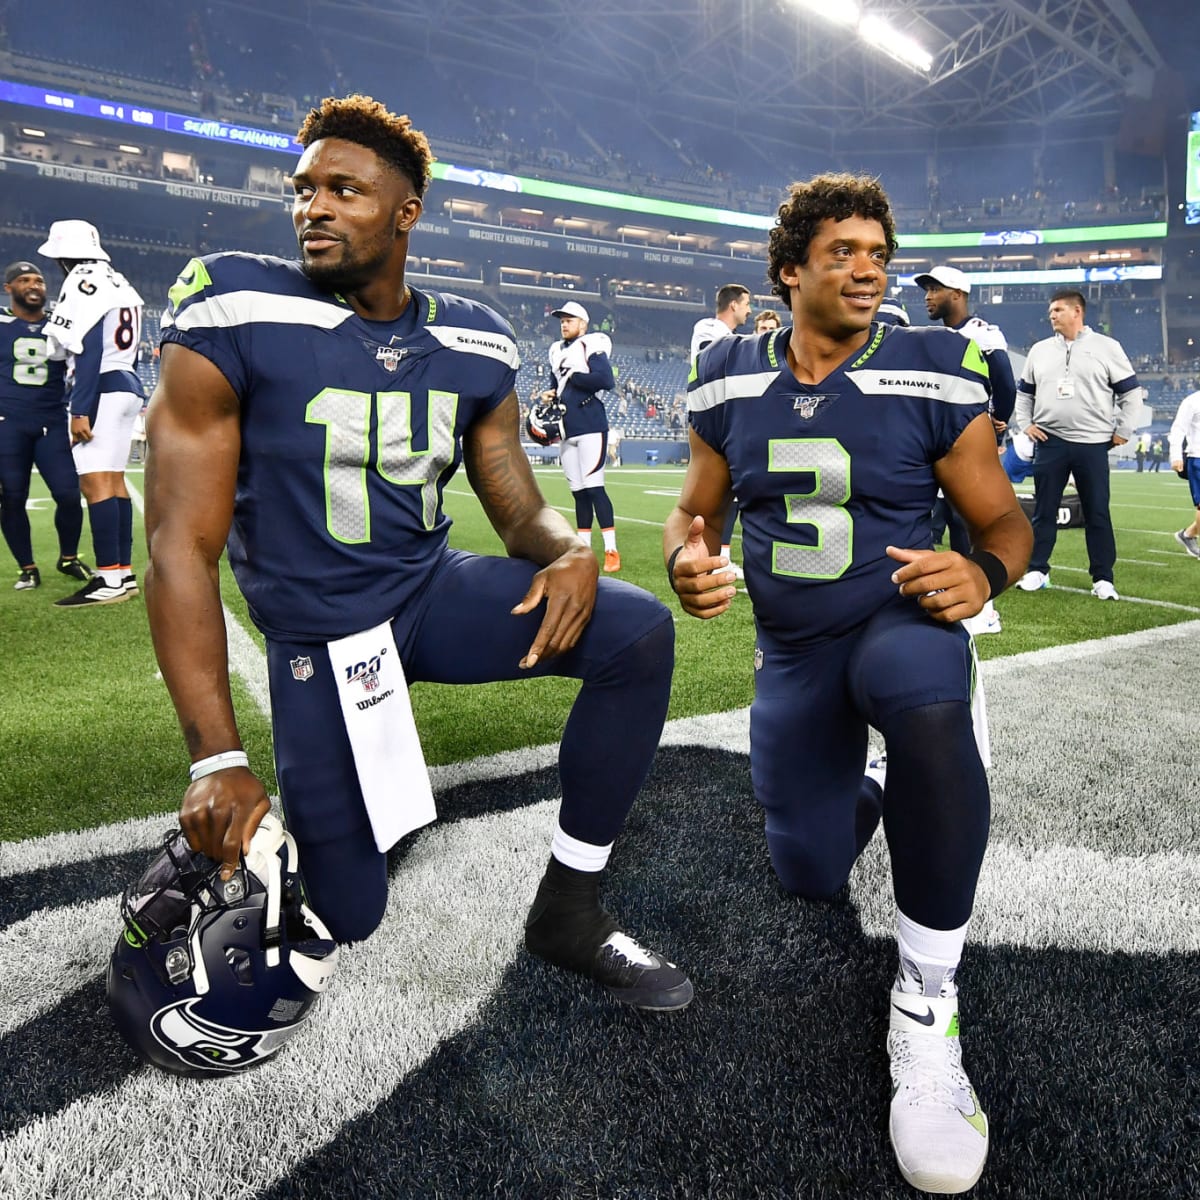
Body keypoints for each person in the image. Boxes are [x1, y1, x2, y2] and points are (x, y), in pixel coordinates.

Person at [144, 94, 691, 1016]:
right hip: (321, 633)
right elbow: (177, 552)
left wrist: (564, 551)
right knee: (351, 911)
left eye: (343, 190)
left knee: (636, 636)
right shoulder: (235, 303)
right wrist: (214, 760)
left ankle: (570, 906)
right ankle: (267, 843)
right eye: (303, 189)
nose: (312, 207)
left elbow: (518, 506)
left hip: (430, 594)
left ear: (406, 214)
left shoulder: (472, 336)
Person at [664, 172, 1031, 1196]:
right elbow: (695, 512)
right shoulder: (728, 373)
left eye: (879, 253)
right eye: (844, 252)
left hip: (897, 621)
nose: (869, 269)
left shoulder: (935, 364)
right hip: (792, 654)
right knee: (809, 870)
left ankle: (927, 1001)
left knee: (921, 702)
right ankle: (881, 785)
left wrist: (986, 569)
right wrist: (687, 559)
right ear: (788, 272)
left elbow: (1004, 522)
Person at [39, 220, 145, 607]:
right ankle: (122, 573)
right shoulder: (118, 280)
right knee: (114, 482)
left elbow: (85, 347)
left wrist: (80, 408)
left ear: (64, 255)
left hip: (98, 386)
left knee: (95, 483)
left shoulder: (82, 279)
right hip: (127, 383)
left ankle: (108, 580)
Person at [1013, 289, 1142, 599]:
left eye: (1057, 310)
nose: (1051, 315)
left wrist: (1124, 429)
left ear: (1077, 312)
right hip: (1050, 442)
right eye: (1051, 310)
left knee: (1097, 512)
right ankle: (1037, 570)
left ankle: (1103, 578)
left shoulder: (1107, 348)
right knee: (1044, 511)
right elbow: (1024, 393)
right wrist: (1025, 424)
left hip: (1093, 444)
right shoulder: (1040, 350)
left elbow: (1130, 393)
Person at [916, 265, 1018, 635]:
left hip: (966, 440)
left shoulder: (983, 334)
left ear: (956, 294)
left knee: (968, 518)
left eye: (935, 289)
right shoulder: (931, 336)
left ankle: (983, 606)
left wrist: (997, 421)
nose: (928, 296)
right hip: (936, 440)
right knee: (933, 516)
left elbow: (1005, 384)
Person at [0, 260, 92, 590]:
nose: (34, 285)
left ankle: (68, 558)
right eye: (24, 280)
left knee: (69, 495)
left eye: (38, 280)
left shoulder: (59, 326)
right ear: (9, 288)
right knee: (11, 496)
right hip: (7, 423)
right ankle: (27, 567)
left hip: (52, 421)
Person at [543, 300, 621, 572]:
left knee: (594, 487)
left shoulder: (591, 344)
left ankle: (611, 549)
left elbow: (605, 380)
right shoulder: (555, 350)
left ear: (583, 324)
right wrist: (549, 392)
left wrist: (577, 377)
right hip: (567, 426)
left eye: (570, 320)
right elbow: (556, 383)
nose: (564, 324)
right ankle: (583, 549)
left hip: (590, 422)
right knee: (578, 493)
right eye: (562, 320)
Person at [690, 284, 752, 576]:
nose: (749, 310)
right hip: (714, 418)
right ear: (734, 305)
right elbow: (713, 362)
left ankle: (719, 557)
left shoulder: (729, 337)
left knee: (730, 495)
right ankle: (710, 557)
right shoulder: (708, 329)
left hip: (727, 416)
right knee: (714, 493)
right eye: (746, 304)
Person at [1169, 389, 1200, 559]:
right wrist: (1176, 456)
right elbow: (1178, 429)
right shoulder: (1192, 401)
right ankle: (1187, 536)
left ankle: (1187, 535)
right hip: (1197, 457)